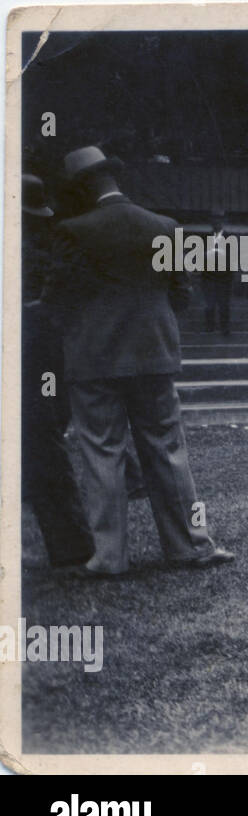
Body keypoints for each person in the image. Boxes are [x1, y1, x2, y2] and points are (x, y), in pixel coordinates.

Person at [43, 146, 234, 576]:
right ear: (113, 179)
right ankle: (191, 546)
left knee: (102, 453)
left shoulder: (72, 230)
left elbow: (56, 299)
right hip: (154, 355)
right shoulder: (164, 226)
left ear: (83, 188)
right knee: (168, 450)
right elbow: (181, 294)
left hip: (94, 360)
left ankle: (110, 557)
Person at [21, 173, 95, 569]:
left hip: (35, 359)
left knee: (43, 444)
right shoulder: (54, 248)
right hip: (50, 360)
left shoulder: (34, 251)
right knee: (45, 441)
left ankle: (72, 543)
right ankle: (71, 542)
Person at [201, 208, 236, 336]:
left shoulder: (230, 238)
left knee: (224, 304)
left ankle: (224, 328)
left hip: (224, 277)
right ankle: (209, 327)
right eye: (214, 219)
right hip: (208, 276)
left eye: (220, 220)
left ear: (224, 221)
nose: (217, 222)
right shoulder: (204, 238)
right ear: (211, 222)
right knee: (209, 304)